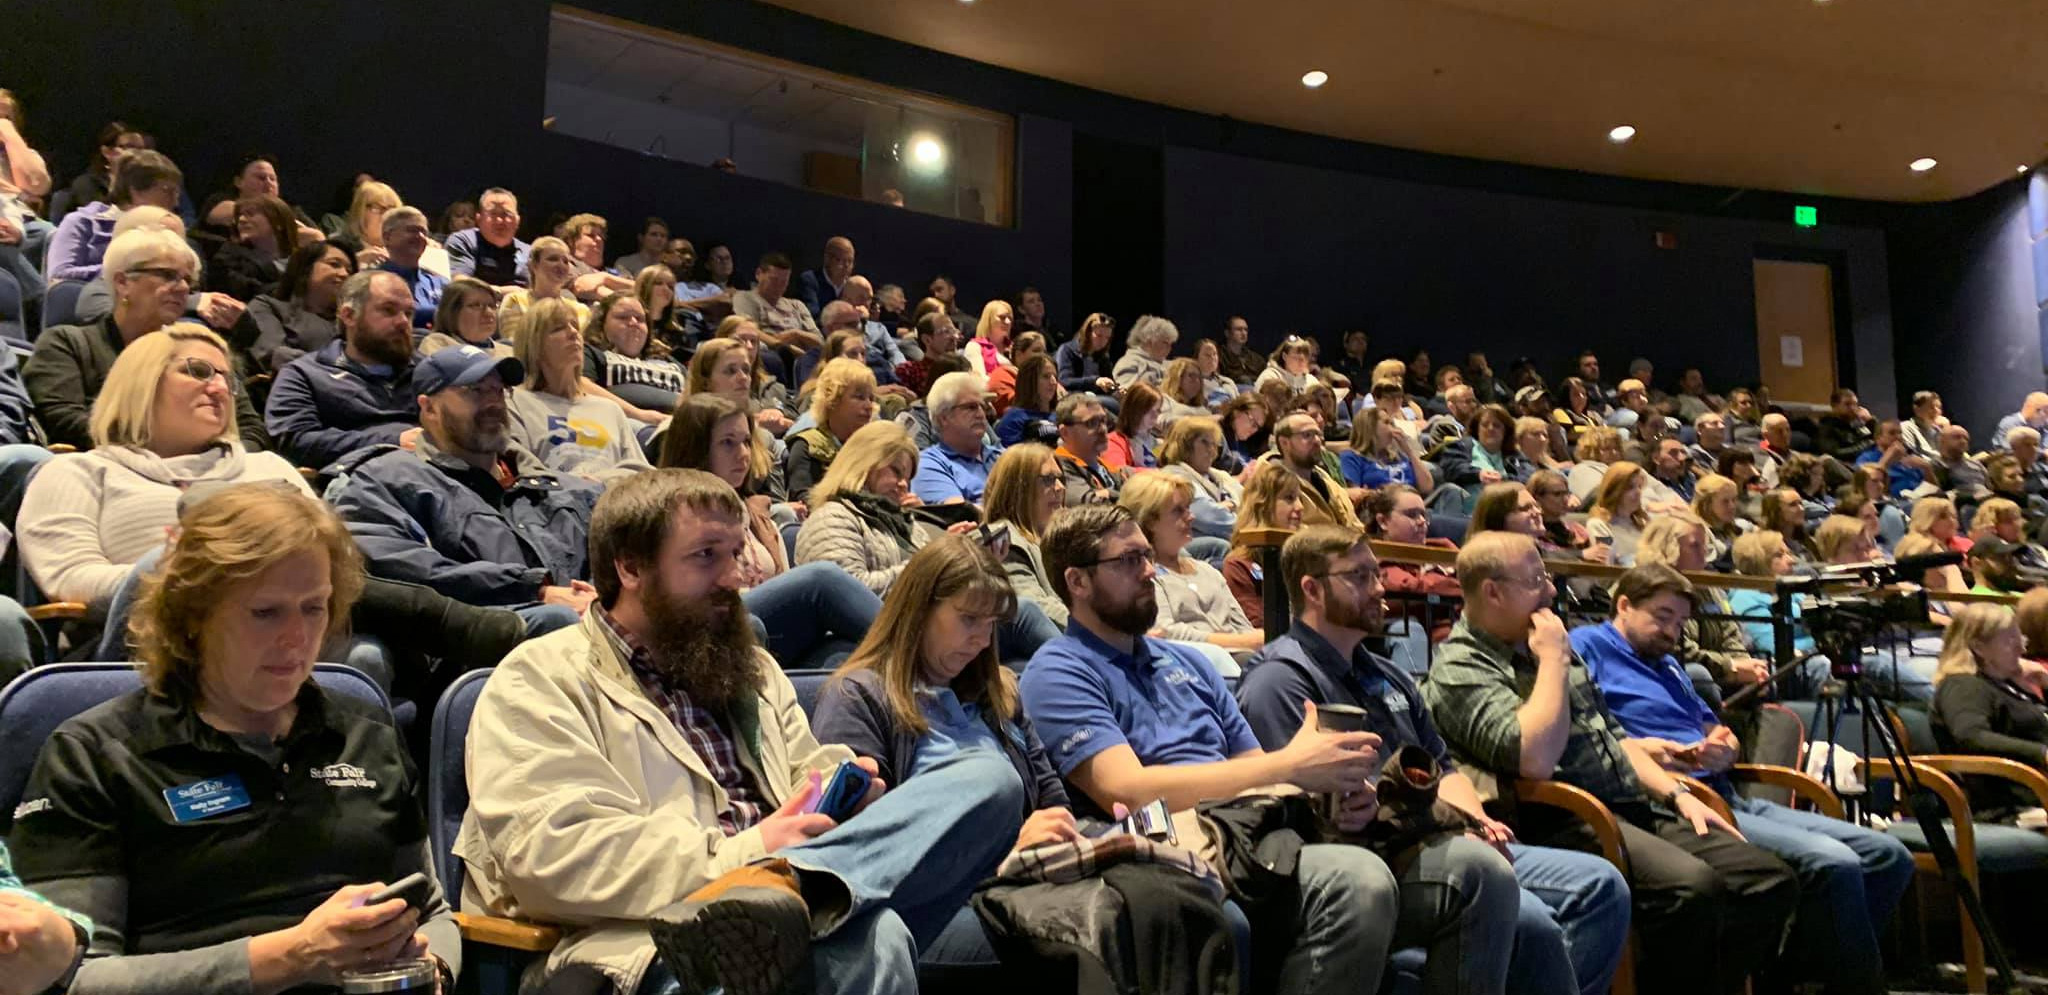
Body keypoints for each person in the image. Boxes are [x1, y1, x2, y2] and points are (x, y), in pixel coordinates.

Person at [453, 469, 1021, 995]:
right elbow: (554, 857)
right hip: (636, 946)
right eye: (705, 557)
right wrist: (749, 855)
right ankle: (782, 885)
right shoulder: (539, 678)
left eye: (735, 553)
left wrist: (843, 786)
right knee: (879, 939)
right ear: (630, 568)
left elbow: (805, 768)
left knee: (990, 783)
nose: (734, 578)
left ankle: (794, 885)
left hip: (791, 920)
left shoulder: (751, 669)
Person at [1021, 504, 1520, 995]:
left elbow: (1253, 770)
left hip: (1248, 835)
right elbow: (1125, 790)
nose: (1150, 571)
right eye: (1128, 561)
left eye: (1148, 556)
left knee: (1480, 873)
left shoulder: (1189, 663)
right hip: (1170, 847)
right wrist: (1290, 766)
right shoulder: (1061, 669)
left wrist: (1331, 791)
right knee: (1358, 881)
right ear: (1078, 582)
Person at [9, 484, 462, 994]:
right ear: (194, 615)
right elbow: (71, 980)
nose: (297, 638)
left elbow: (432, 912)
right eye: (266, 612)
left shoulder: (365, 733)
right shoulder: (93, 754)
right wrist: (294, 954)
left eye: (313, 608)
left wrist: (433, 972)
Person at [1238, 527, 1632, 995]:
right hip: (1376, 853)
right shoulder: (1281, 681)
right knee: (1526, 918)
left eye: (1377, 572)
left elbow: (1442, 767)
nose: (1380, 587)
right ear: (1311, 589)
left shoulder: (1387, 674)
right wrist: (1450, 827)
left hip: (1436, 833)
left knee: (1600, 884)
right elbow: (1308, 808)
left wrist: (1476, 820)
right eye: (1361, 576)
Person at [1421, 532, 1800, 995]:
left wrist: (1677, 792)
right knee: (1691, 889)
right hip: (1563, 819)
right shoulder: (1464, 666)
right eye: (1536, 579)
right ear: (1493, 592)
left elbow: (1616, 739)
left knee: (1767, 879)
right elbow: (1534, 760)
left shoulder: (1544, 645)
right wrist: (1553, 661)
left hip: (1627, 804)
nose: (1551, 591)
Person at [809, 534, 1195, 977]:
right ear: (919, 610)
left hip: (1030, 880)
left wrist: (1051, 834)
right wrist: (1009, 851)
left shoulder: (1000, 694)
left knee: (1172, 904)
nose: (980, 639)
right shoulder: (859, 696)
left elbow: (1054, 803)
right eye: (968, 619)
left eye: (990, 624)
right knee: (1112, 933)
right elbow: (867, 851)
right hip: (937, 904)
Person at [1576, 563, 1914, 994]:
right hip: (1678, 798)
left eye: (1680, 623)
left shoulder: (1668, 664)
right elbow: (1598, 735)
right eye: (1662, 617)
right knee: (1835, 860)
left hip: (1727, 790)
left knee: (1887, 854)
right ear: (1623, 605)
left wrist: (1725, 746)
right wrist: (1670, 754)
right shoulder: (1585, 648)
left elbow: (1714, 729)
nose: (1671, 632)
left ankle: (1796, 974)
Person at [19, 324, 305, 611]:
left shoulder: (270, 467)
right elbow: (71, 578)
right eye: (199, 371)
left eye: (228, 380)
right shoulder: (78, 472)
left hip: (294, 627)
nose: (219, 389)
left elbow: (328, 564)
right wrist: (192, 573)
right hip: (145, 633)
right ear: (142, 380)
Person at [327, 345, 600, 635]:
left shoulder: (560, 487)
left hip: (597, 628)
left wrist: (599, 598)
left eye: (498, 391)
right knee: (558, 621)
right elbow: (399, 570)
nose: (493, 402)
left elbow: (622, 550)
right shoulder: (384, 478)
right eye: (475, 390)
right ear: (429, 407)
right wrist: (535, 591)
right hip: (476, 639)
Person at [659, 394, 883, 669]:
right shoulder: (673, 513)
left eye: (745, 442)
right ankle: (924, 650)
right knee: (821, 580)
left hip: (765, 642)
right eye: (727, 443)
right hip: (710, 628)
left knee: (847, 656)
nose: (743, 454)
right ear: (695, 447)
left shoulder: (756, 517)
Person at [27, 228, 266, 452]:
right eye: (167, 275)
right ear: (123, 282)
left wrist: (216, 459)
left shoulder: (205, 351)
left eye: (188, 280)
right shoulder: (68, 343)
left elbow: (251, 429)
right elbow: (62, 418)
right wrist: (167, 446)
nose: (183, 288)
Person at [263, 269, 422, 468]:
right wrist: (391, 440)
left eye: (408, 313)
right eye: (388, 310)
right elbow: (295, 442)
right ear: (349, 316)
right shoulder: (305, 374)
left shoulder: (428, 371)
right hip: (359, 478)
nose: (403, 322)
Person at [504, 296, 651, 479]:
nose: (574, 333)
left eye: (575, 325)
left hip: (615, 500)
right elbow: (524, 471)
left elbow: (641, 476)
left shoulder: (609, 409)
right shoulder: (513, 402)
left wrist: (602, 482)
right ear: (534, 345)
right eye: (558, 328)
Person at [795, 421, 950, 596]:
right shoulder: (832, 518)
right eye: (897, 472)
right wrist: (924, 568)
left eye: (908, 479)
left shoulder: (909, 525)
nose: (903, 484)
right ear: (865, 464)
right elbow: (847, 596)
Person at [1120, 471, 1262, 656]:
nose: (1191, 517)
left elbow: (1244, 627)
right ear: (1150, 520)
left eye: (1188, 508)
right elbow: (1165, 633)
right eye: (1179, 510)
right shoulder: (1144, 576)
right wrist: (1241, 643)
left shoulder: (1207, 570)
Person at [1932, 603, 2048, 820]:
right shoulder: (1963, 686)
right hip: (2008, 805)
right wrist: (2041, 753)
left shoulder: (2005, 684)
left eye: (2020, 639)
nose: (2021, 649)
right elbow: (1971, 735)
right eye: (2010, 640)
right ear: (1979, 648)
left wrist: (2045, 682)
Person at [45, 149, 183, 284]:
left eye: (177, 193)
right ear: (135, 190)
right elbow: (60, 274)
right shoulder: (84, 222)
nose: (175, 202)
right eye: (167, 191)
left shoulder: (169, 229)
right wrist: (132, 274)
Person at [981, 442, 1074, 627]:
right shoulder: (1004, 540)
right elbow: (1036, 609)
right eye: (1048, 479)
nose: (1060, 487)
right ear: (1018, 488)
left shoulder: (1061, 538)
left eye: (1060, 479)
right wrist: (1099, 632)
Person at [1369, 484, 1462, 642]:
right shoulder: (1376, 556)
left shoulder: (1442, 547)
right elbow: (1410, 588)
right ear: (1383, 521)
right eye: (1412, 515)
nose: (1421, 522)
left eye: (1424, 515)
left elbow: (1476, 575)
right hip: (1428, 640)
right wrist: (1464, 588)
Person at [247, 239, 354, 373]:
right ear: (305, 268)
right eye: (334, 264)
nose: (344, 274)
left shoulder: (352, 323)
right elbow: (276, 355)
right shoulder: (269, 307)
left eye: (350, 271)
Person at [1221, 460, 1305, 630]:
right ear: (1263, 505)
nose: (1300, 506)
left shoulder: (1310, 556)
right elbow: (1262, 627)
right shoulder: (1239, 565)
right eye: (1289, 498)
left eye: (1299, 498)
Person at [784, 358, 877, 502]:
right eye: (859, 397)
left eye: (871, 398)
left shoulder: (875, 448)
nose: (868, 405)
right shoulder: (807, 445)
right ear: (833, 399)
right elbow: (803, 499)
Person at [911, 370, 1003, 505]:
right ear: (943, 418)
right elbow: (961, 514)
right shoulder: (929, 464)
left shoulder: (1002, 456)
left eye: (981, 406)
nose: (980, 414)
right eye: (971, 407)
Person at [1260, 411, 1361, 529]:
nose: (1317, 441)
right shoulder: (1271, 481)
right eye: (1307, 435)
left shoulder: (1323, 478)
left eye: (1318, 434)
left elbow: (1352, 522)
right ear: (1284, 443)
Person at [1158, 415, 1242, 542]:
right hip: (1198, 548)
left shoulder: (1219, 475)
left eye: (1215, 444)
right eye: (1205, 442)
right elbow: (1210, 517)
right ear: (1184, 445)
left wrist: (1231, 505)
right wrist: (1236, 509)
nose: (1212, 450)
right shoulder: (1174, 476)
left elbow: (1249, 502)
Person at [205, 193, 300, 303]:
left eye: (250, 214)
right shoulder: (226, 258)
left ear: (278, 222)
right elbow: (246, 293)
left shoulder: (303, 261)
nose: (241, 220)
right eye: (239, 215)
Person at [734, 252, 823, 367]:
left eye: (784, 282)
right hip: (771, 354)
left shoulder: (796, 305)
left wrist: (796, 334)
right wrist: (783, 346)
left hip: (804, 358)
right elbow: (749, 330)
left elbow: (819, 341)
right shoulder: (745, 298)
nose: (778, 286)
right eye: (774, 280)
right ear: (758, 274)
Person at [444, 186, 530, 291]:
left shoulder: (529, 252)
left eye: (506, 214)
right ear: (479, 219)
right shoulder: (462, 241)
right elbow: (461, 286)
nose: (499, 221)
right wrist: (505, 292)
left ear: (517, 220)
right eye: (493, 214)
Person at [1052, 392, 1127, 506]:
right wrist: (1123, 496)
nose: (1103, 429)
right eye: (1092, 423)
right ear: (1065, 432)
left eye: (1103, 421)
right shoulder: (1059, 464)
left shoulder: (1106, 467)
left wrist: (1108, 493)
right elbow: (1084, 502)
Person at [1342, 405, 1432, 491]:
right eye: (1386, 422)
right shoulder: (1352, 457)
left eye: (1392, 423)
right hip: (1385, 504)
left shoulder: (1398, 456)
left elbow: (1427, 487)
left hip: (1414, 501)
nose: (1393, 428)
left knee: (1445, 489)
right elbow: (1356, 495)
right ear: (1370, 427)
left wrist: (1409, 451)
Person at [417, 276, 507, 359]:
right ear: (451, 312)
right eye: (476, 305)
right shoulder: (437, 344)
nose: (489, 312)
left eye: (492, 306)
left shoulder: (509, 351)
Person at [1584, 461, 1650, 566]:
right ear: (1614, 490)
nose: (1638, 492)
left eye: (1639, 486)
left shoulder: (1643, 523)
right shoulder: (1599, 524)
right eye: (1630, 487)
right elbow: (1607, 567)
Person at [1528, 469, 1599, 561]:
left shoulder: (1576, 529)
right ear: (1537, 498)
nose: (1565, 499)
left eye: (1566, 493)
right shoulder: (1532, 530)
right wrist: (1580, 554)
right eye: (1557, 494)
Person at [994, 352, 1059, 446]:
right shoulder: (1013, 419)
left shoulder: (1059, 417)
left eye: (1055, 377)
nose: (1054, 382)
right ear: (1029, 381)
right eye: (1046, 376)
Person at [1053, 311, 1119, 397]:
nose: (1103, 341)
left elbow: (1108, 382)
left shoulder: (1103, 358)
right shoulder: (1067, 350)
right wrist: (1094, 381)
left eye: (1107, 338)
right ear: (1087, 333)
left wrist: (1115, 389)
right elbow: (1064, 381)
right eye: (1099, 335)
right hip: (1073, 397)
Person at [1103, 381, 1161, 471]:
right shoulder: (1113, 441)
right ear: (1133, 410)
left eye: (1157, 410)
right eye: (1149, 410)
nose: (1155, 416)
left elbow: (1165, 464)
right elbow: (1119, 472)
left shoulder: (1155, 442)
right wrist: (1158, 473)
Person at [1112, 314, 1176, 390]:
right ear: (1148, 341)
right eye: (1165, 343)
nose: (1169, 348)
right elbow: (1125, 394)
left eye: (1171, 344)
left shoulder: (1171, 365)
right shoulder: (1130, 362)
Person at [1565, 426, 1621, 505]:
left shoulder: (1620, 469)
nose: (1614, 453)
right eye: (1606, 449)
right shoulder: (1583, 470)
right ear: (1591, 450)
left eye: (1617, 448)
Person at [963, 299, 1016, 381]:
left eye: (1010, 318)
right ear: (988, 319)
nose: (1008, 322)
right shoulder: (974, 346)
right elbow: (978, 379)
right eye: (1002, 317)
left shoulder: (1015, 347)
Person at [1253, 334, 1318, 395]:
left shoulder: (1311, 381)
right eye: (1296, 357)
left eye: (1305, 358)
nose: (1301, 362)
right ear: (1284, 356)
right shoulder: (1270, 377)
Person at [1215, 315, 1264, 386]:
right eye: (1239, 329)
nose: (1243, 333)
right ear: (1227, 333)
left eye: (1246, 330)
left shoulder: (1256, 359)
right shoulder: (1219, 356)